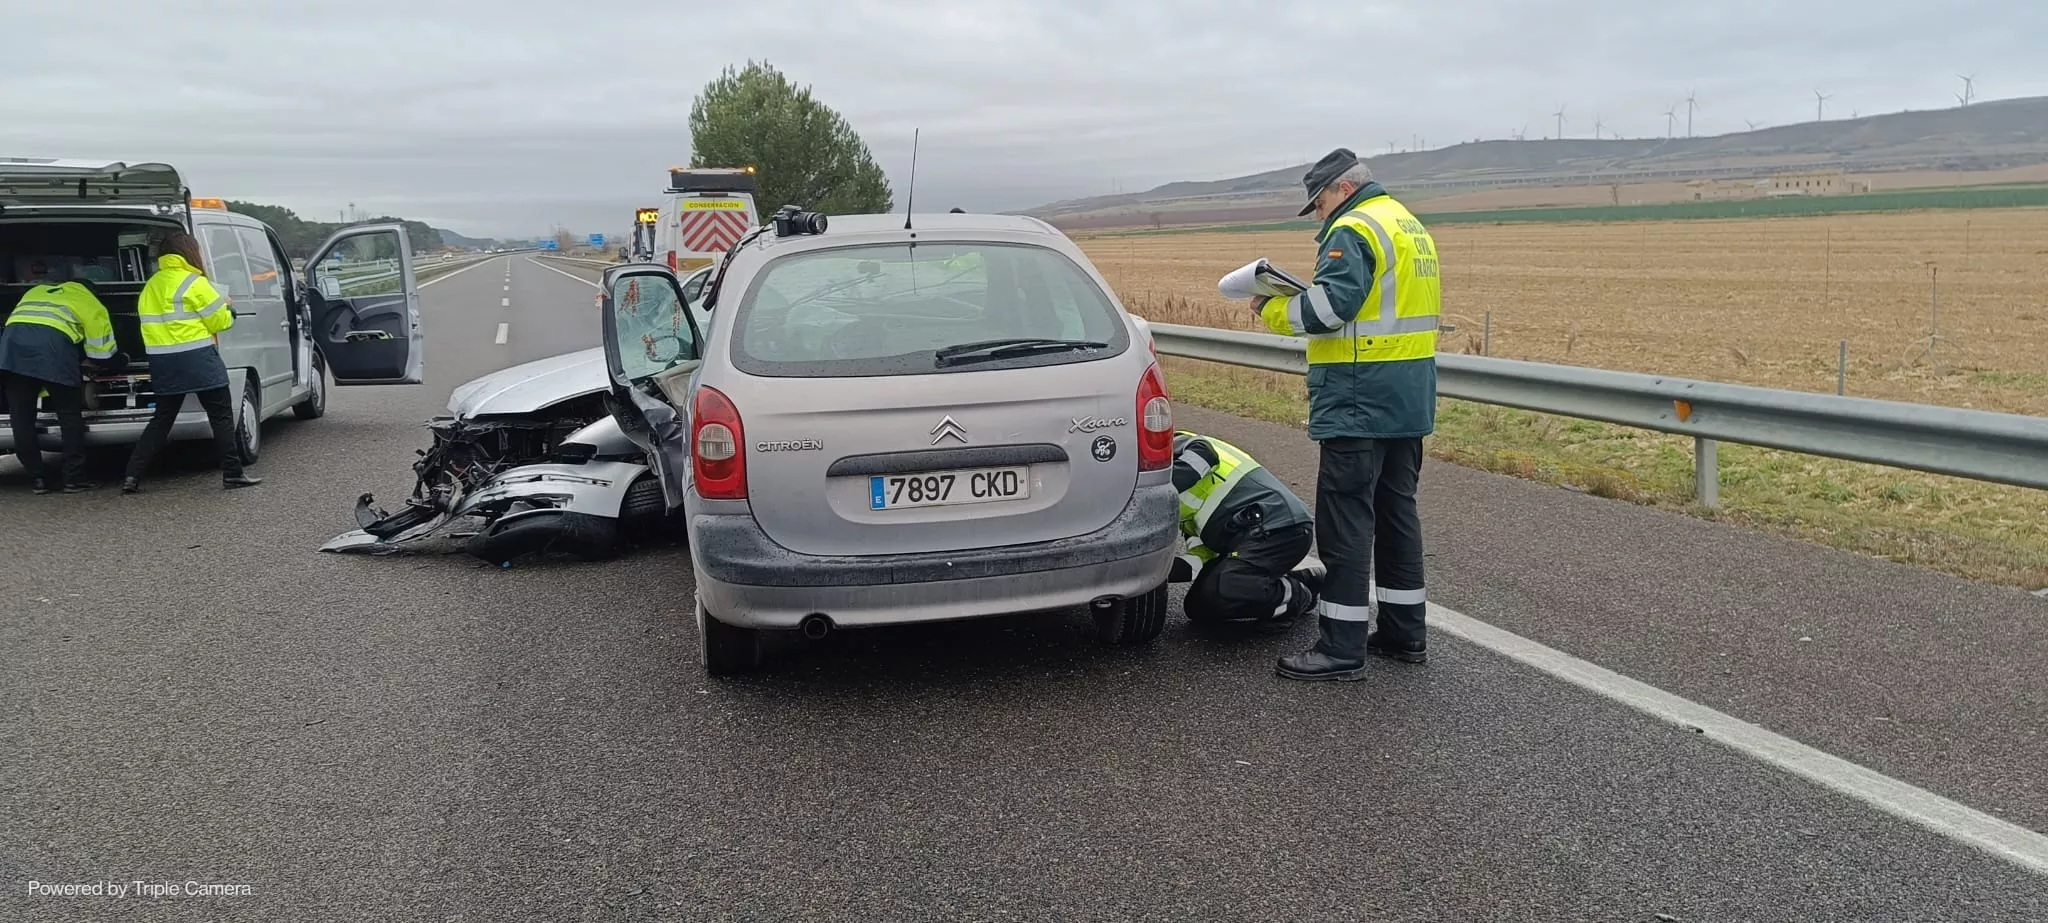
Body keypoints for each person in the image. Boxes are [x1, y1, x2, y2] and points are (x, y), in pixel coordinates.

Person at [1252, 147, 1441, 681]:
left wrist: (1271, 309)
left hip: (1360, 396)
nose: (1318, 214)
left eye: (1317, 203)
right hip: (1407, 395)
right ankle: (1406, 635)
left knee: (1346, 521)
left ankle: (1340, 647)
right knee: (1396, 513)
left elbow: (1328, 310)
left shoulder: (1354, 228)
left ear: (1341, 189)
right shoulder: (1407, 224)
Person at [119, 232, 261, 492]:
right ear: (189, 252)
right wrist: (229, 308)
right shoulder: (195, 282)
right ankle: (232, 474)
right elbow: (219, 322)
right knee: (220, 416)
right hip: (198, 357)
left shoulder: (150, 285)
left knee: (161, 419)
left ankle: (131, 476)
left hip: (163, 361)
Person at [1166, 430, 1325, 627]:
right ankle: (1301, 579)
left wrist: (1155, 489)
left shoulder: (1174, 443)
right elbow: (1200, 558)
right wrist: (1153, 572)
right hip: (1249, 535)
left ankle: (1297, 596)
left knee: (1227, 587)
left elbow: (1204, 452)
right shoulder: (1177, 509)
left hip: (1279, 525)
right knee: (1200, 606)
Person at [2, 276, 120, 493]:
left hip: (12, 354)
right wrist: (115, 361)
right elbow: (102, 353)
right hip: (54, 355)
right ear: (92, 291)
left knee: (21, 418)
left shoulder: (36, 291)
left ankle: (37, 479)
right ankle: (73, 478)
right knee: (69, 417)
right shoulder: (90, 302)